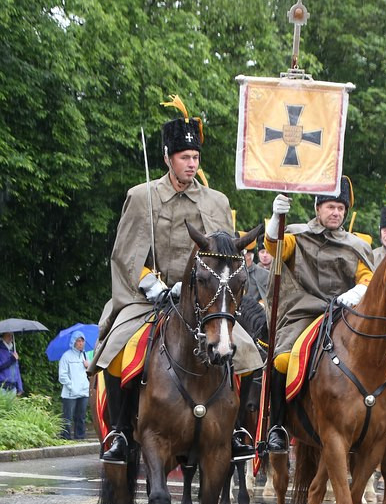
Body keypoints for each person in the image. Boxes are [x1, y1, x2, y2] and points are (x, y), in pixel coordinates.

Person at [92, 96, 263, 464]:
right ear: (169, 158)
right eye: (185, 157)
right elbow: (125, 254)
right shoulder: (143, 197)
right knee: (119, 345)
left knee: (247, 350)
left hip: (202, 298)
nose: (191, 164)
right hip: (149, 295)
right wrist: (150, 283)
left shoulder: (216, 202)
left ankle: (237, 431)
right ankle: (121, 431)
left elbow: (227, 256)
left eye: (196, 158)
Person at [261, 176, 375, 454]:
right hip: (304, 313)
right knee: (283, 359)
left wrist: (356, 293)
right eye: (330, 207)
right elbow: (274, 246)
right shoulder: (297, 236)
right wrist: (277, 216)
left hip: (346, 315)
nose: (336, 213)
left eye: (341, 208)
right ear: (317, 208)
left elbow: (368, 278)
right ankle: (277, 426)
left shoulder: (357, 244)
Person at [58, 331, 90, 440]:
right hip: (70, 393)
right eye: (78, 341)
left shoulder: (86, 356)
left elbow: (91, 374)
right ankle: (65, 438)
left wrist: (88, 367)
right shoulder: (66, 356)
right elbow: (62, 376)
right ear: (74, 342)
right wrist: (71, 386)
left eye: (82, 341)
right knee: (67, 417)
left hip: (83, 391)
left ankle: (80, 437)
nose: (81, 343)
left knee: (81, 417)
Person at [240, 232, 269, 306]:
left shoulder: (264, 275)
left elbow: (268, 299)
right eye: (262, 252)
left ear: (250, 256)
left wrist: (260, 305)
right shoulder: (232, 273)